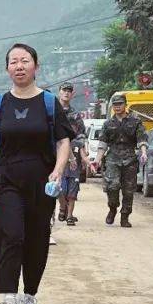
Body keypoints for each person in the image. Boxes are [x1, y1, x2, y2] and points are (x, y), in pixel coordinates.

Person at [0, 44, 73, 304]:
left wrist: (57, 170)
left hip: (41, 183)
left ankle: (29, 296)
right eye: (14, 62)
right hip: (6, 181)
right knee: (10, 234)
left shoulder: (49, 103)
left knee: (36, 238)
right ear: (7, 68)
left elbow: (63, 140)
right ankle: (8, 299)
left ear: (36, 67)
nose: (19, 66)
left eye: (25, 61)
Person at [99, 93, 148, 227]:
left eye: (120, 104)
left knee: (128, 190)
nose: (117, 107)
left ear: (125, 105)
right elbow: (103, 143)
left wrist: (143, 153)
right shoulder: (108, 124)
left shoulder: (135, 121)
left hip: (129, 160)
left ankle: (125, 216)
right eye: (115, 105)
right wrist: (97, 159)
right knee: (112, 187)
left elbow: (142, 139)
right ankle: (112, 208)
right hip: (112, 159)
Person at [56, 83, 86, 226]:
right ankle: (62, 207)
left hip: (73, 153)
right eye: (64, 90)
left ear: (72, 94)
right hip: (55, 154)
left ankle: (69, 215)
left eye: (69, 91)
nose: (66, 93)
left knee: (73, 186)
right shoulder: (53, 111)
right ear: (59, 92)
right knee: (58, 186)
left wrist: (82, 153)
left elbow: (81, 135)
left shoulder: (75, 115)